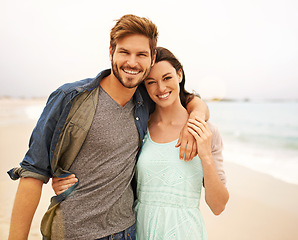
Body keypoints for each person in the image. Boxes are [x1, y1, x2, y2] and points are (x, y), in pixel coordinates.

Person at [7, 15, 209, 240]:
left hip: (126, 232)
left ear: (152, 58)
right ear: (111, 51)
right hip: (72, 233)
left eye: (141, 54)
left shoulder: (145, 101)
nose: (132, 62)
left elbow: (187, 98)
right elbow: (33, 173)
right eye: (124, 52)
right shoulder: (70, 98)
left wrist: (195, 119)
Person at [53, 47, 229, 239]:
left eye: (167, 78)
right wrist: (67, 180)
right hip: (139, 229)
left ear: (179, 74)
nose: (161, 88)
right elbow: (110, 166)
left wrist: (205, 156)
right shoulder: (140, 126)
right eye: (151, 82)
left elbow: (218, 206)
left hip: (185, 231)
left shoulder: (206, 130)